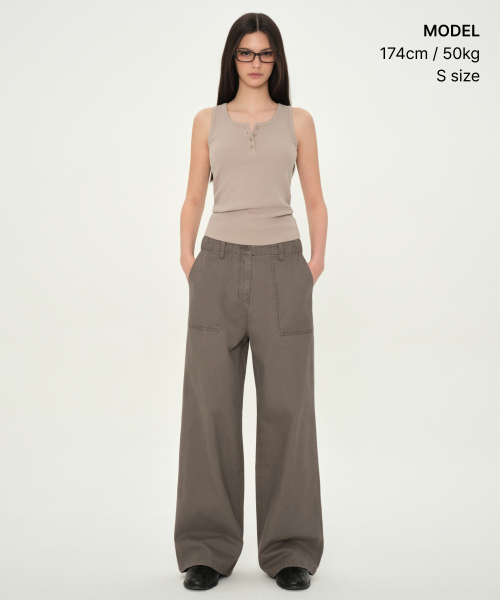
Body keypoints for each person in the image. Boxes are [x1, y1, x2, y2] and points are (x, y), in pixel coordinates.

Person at [174, 12, 328, 591]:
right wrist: (189, 260)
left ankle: (291, 551)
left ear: (277, 59)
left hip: (284, 268)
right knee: (209, 410)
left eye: (265, 53)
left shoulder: (298, 121)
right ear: (232, 58)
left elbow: (315, 199)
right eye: (246, 53)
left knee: (288, 409)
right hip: (215, 266)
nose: (256, 63)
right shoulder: (207, 120)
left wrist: (314, 264)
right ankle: (205, 550)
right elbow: (194, 196)